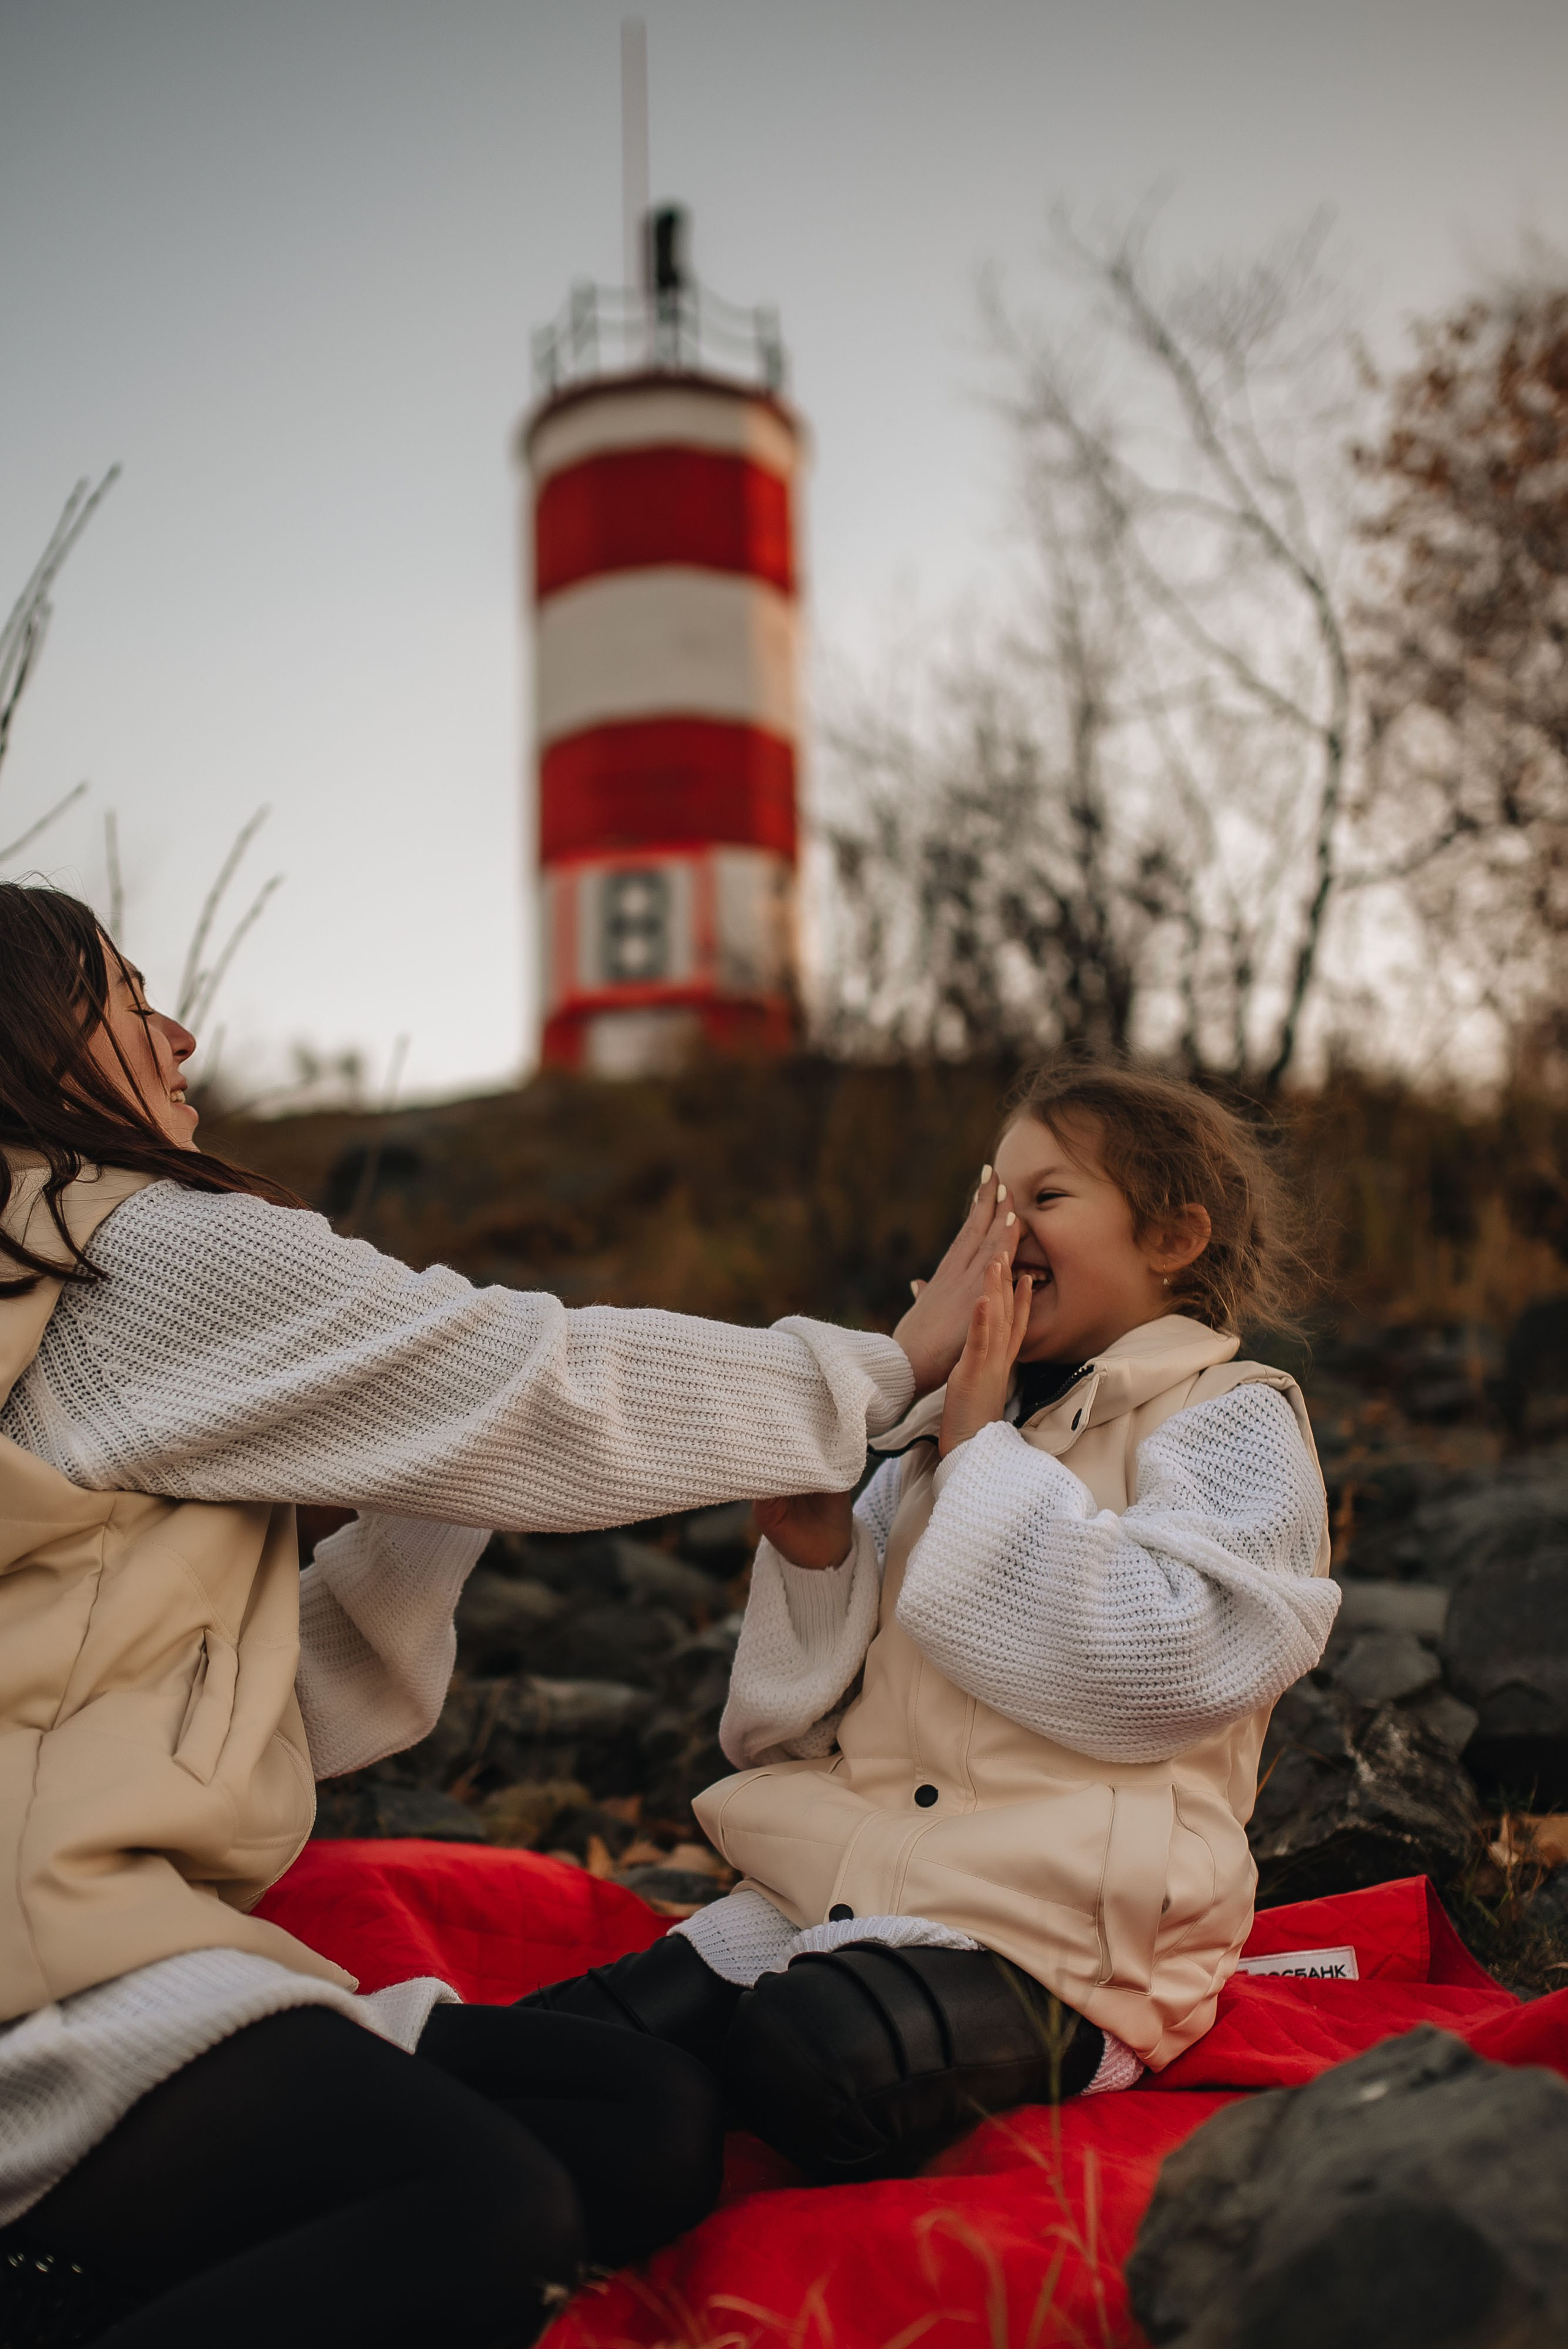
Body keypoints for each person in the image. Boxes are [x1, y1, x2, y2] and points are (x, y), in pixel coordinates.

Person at [0, 881, 997, 2349]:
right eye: (131, 999)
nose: (181, 1033)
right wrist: (880, 1373)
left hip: (96, 1925)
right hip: (51, 1978)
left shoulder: (41, 1273)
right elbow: (539, 1383)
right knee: (488, 2211)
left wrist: (437, 1473)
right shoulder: (117, 1243)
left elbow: (240, 1702)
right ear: (35, 1034)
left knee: (642, 2122)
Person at [524, 1060, 1339, 2184]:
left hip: (1067, 1928)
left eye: (1046, 1198)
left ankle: (1083, 2050)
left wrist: (979, 1453)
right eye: (989, 1202)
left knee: (813, 2051)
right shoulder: (926, 1443)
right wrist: (817, 1556)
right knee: (562, 2052)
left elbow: (1173, 1667)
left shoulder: (1231, 1418)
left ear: (1173, 1238)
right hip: (848, 1877)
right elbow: (786, 1730)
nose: (1004, 1230)